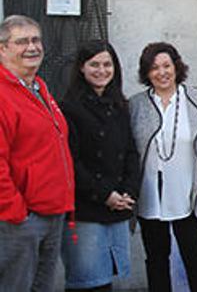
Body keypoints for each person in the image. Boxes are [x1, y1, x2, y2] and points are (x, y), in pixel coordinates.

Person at [130, 42, 197, 292]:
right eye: (154, 68)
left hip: (187, 191)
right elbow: (128, 150)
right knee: (157, 259)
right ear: (146, 73)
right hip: (150, 193)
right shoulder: (136, 105)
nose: (161, 72)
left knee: (195, 256)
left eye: (166, 66)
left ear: (176, 67)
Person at [0, 15, 75, 290]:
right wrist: (16, 212)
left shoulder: (39, 87)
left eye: (36, 40)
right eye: (21, 41)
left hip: (51, 213)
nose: (32, 47)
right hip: (20, 221)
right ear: (2, 49)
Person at [60, 41, 140, 291]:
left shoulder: (120, 106)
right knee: (87, 282)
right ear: (81, 68)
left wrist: (128, 192)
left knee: (107, 280)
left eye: (107, 64)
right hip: (86, 208)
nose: (101, 70)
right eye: (94, 64)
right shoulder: (69, 108)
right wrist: (105, 195)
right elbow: (70, 162)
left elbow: (130, 153)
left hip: (117, 205)